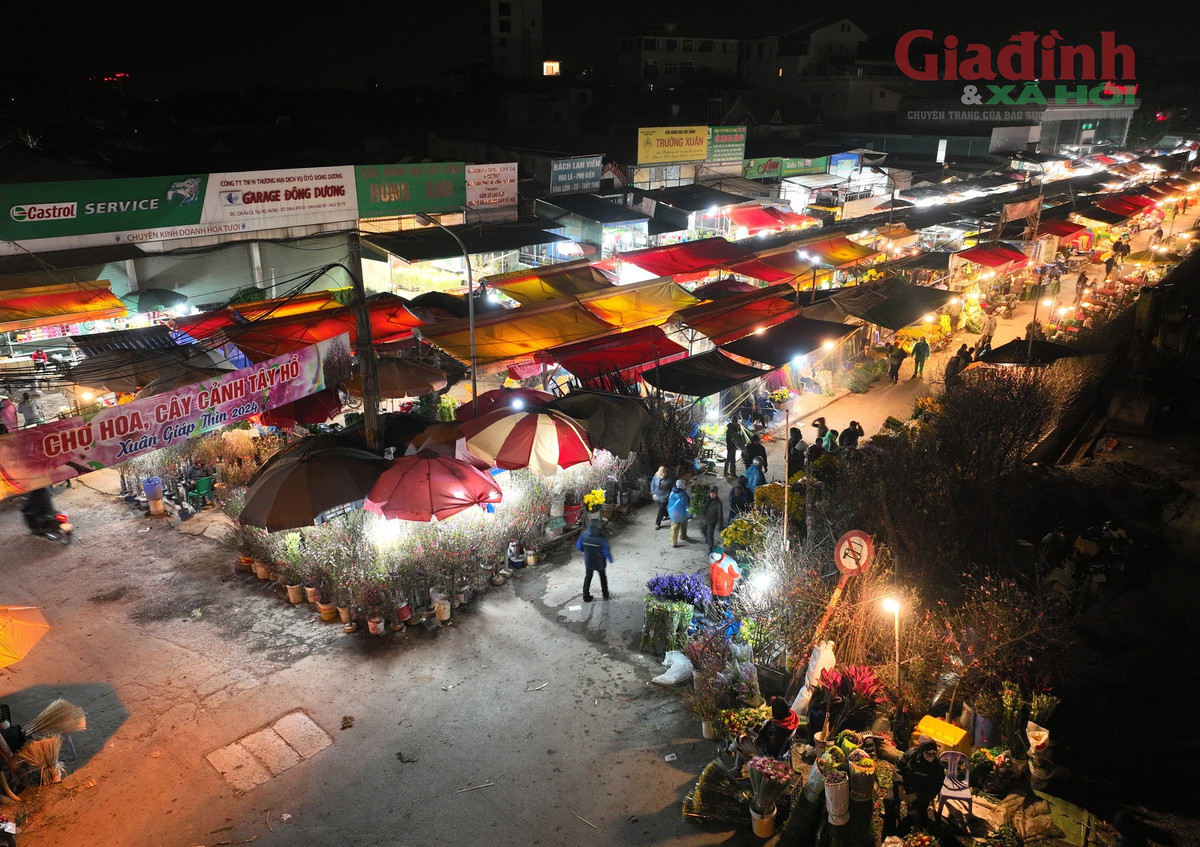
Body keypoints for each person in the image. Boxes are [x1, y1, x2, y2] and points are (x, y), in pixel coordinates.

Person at [894, 737, 946, 827]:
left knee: (916, 816)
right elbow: (898, 767)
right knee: (889, 800)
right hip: (904, 785)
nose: (931, 756)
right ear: (921, 751)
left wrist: (916, 795)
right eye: (928, 754)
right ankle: (891, 820)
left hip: (921, 792)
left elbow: (935, 787)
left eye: (934, 754)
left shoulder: (937, 765)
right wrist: (900, 787)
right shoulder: (911, 754)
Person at [730, 696, 800, 762]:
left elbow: (770, 749)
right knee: (743, 744)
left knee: (739, 740)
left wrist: (758, 738)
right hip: (774, 744)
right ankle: (740, 764)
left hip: (767, 750)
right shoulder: (790, 717)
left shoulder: (779, 732)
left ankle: (728, 751)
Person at [576, 523, 612, 602]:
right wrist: (610, 559)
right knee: (602, 577)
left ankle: (585, 596)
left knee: (588, 577)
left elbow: (579, 546)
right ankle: (605, 594)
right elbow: (605, 550)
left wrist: (585, 551)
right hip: (600, 563)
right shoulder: (601, 538)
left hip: (589, 561)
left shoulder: (584, 535)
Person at [667, 479, 691, 548]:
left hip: (673, 513)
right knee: (683, 525)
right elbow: (687, 507)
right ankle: (683, 536)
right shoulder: (683, 496)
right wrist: (690, 515)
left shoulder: (672, 492)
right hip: (682, 514)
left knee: (674, 527)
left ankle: (673, 542)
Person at [701, 485, 725, 552]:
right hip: (705, 519)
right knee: (703, 529)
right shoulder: (706, 498)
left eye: (714, 493)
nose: (712, 494)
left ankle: (710, 548)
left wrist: (720, 525)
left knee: (710, 534)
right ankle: (707, 538)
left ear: (716, 494)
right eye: (711, 493)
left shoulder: (718, 503)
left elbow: (720, 515)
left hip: (712, 521)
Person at [650, 466, 672, 530]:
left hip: (665, 497)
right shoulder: (655, 477)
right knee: (662, 508)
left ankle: (657, 523)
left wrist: (670, 495)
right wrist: (653, 493)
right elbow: (652, 484)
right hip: (657, 496)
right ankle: (666, 515)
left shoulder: (670, 479)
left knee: (661, 509)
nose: (661, 476)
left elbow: (672, 488)